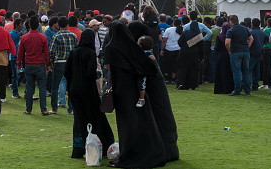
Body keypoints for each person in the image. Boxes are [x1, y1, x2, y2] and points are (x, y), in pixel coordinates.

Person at [104, 20, 178, 168]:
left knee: (130, 126)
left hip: (128, 94)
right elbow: (148, 70)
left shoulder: (114, 48)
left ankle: (133, 152)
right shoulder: (133, 50)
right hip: (143, 93)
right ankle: (163, 150)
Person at [64, 29, 114, 159]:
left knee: (79, 118)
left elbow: (66, 72)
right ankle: (98, 145)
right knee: (94, 116)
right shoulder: (91, 53)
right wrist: (98, 74)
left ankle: (78, 148)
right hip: (87, 90)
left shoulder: (73, 52)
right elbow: (90, 72)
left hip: (74, 89)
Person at [17, 15, 51, 115]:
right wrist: (48, 65)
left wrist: (19, 64)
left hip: (29, 64)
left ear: (29, 25)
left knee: (29, 87)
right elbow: (46, 53)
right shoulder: (43, 37)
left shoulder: (24, 37)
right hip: (40, 64)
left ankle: (28, 109)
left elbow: (20, 53)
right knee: (42, 87)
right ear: (38, 25)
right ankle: (43, 109)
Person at [49, 16, 77, 115]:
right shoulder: (73, 36)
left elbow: (51, 52)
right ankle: (71, 109)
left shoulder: (56, 36)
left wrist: (50, 63)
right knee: (71, 86)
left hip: (59, 62)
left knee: (55, 85)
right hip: (71, 63)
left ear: (58, 24)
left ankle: (54, 109)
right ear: (67, 24)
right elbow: (76, 50)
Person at [225, 15, 253, 96]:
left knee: (237, 72)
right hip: (245, 51)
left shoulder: (231, 30)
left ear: (231, 21)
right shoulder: (244, 28)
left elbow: (227, 43)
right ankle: (247, 90)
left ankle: (237, 90)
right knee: (246, 72)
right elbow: (251, 38)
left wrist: (229, 50)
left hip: (236, 52)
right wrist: (247, 47)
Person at [176, 16, 203, 90]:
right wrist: (201, 57)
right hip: (194, 54)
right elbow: (201, 47)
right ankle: (191, 86)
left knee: (182, 68)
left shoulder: (185, 32)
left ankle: (181, 83)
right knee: (193, 70)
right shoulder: (199, 35)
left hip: (184, 52)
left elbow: (180, 42)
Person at [136, 36, 157, 108]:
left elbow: (152, 58)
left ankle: (141, 98)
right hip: (139, 71)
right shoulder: (141, 52)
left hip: (143, 72)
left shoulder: (146, 52)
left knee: (141, 84)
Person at [214, 22, 234, 94]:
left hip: (221, 55)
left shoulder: (219, 36)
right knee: (229, 72)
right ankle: (230, 88)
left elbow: (216, 48)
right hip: (229, 54)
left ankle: (221, 89)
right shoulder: (231, 36)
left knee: (221, 73)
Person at [160, 19, 182, 83]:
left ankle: (166, 78)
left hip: (169, 49)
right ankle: (173, 78)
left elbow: (164, 40)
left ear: (173, 23)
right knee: (175, 64)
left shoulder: (169, 30)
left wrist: (162, 49)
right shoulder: (181, 30)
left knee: (167, 63)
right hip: (177, 49)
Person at [249, 18, 268, 91]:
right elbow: (266, 41)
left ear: (252, 24)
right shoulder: (262, 32)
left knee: (248, 70)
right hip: (260, 52)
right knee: (256, 70)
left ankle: (246, 85)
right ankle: (255, 86)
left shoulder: (250, 32)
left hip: (252, 52)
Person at [10, 18, 24, 99]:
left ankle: (14, 86)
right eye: (21, 24)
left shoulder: (19, 33)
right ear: (16, 25)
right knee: (15, 74)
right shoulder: (12, 34)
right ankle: (15, 92)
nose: (22, 26)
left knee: (22, 74)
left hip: (19, 56)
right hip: (14, 56)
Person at [261, 18, 271, 90]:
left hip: (266, 49)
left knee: (266, 67)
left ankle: (265, 83)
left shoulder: (265, 30)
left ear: (268, 24)